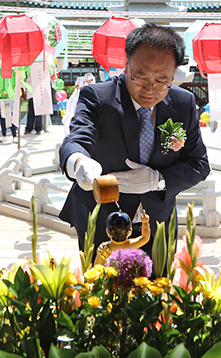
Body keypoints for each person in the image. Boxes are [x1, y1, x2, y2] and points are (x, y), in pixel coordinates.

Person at [59, 24, 210, 251]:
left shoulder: (183, 103)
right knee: (101, 283)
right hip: (103, 218)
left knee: (159, 283)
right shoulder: (98, 97)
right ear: (126, 65)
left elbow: (198, 164)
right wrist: (79, 162)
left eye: (161, 80)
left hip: (157, 219)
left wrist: (158, 180)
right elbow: (76, 140)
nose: (150, 89)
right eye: (140, 77)